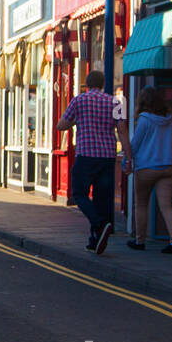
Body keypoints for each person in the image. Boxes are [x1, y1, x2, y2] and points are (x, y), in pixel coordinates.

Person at [54, 69, 131, 254]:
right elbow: (122, 130)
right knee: (102, 198)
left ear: (87, 84)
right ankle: (95, 240)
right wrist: (128, 156)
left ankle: (99, 224)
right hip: (107, 157)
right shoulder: (115, 102)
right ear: (103, 84)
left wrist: (76, 121)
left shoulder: (79, 100)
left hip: (86, 156)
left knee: (79, 193)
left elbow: (61, 125)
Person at [125, 86, 172, 254]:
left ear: (142, 102)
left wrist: (127, 161)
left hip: (146, 168)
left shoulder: (144, 120)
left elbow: (134, 145)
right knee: (166, 206)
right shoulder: (171, 120)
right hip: (168, 167)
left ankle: (140, 241)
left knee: (141, 204)